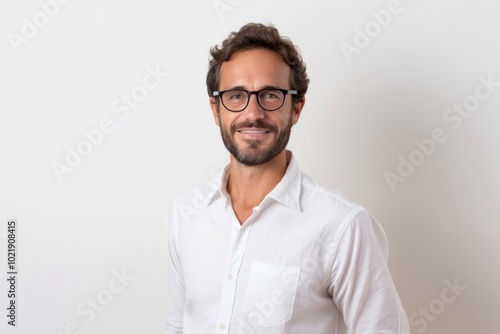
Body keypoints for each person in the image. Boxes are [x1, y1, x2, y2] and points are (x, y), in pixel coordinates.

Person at [165, 22, 410, 334]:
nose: (252, 112)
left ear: (296, 108)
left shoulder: (343, 226)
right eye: (237, 95)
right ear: (216, 109)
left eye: (270, 95)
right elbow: (177, 323)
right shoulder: (186, 212)